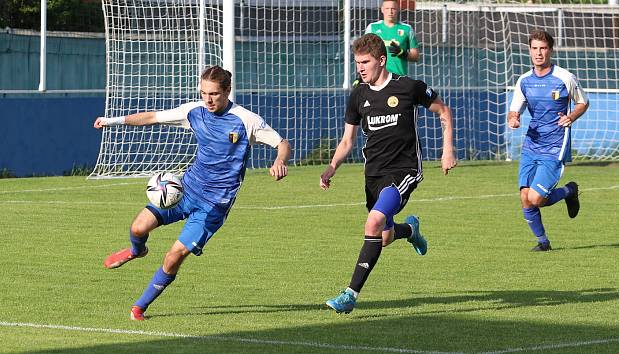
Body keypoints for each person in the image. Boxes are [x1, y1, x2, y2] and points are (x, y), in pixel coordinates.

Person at [93, 65, 291, 320]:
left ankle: (139, 307)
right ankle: (136, 251)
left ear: (228, 91)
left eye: (214, 94)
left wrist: (279, 161)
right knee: (138, 228)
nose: (208, 99)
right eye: (203, 93)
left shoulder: (246, 120)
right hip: (185, 190)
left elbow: (282, 143)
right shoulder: (194, 111)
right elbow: (153, 117)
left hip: (214, 205)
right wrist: (112, 121)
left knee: (173, 256)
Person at [320, 33, 456, 313]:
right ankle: (410, 230)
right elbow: (348, 140)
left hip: (403, 170)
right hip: (374, 174)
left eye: (365, 62)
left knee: (372, 224)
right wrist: (332, 166)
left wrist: (447, 150)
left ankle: (349, 295)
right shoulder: (358, 94)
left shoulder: (408, 87)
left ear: (381, 60)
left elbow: (443, 110)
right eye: (357, 62)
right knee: (382, 236)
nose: (360, 67)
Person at [508, 29, 588, 252]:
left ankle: (569, 191)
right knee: (525, 197)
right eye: (535, 48)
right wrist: (513, 119)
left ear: (550, 50)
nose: (539, 53)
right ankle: (543, 243)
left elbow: (583, 103)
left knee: (535, 197)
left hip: (555, 144)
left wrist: (570, 117)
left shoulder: (565, 77)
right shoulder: (524, 80)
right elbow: (514, 110)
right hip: (532, 143)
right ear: (529, 51)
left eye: (543, 48)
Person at [365, 0, 419, 77]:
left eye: (393, 8)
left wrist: (402, 53)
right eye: (387, 8)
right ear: (382, 10)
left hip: (399, 77)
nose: (390, 11)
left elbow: (415, 56)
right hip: (377, 77)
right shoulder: (372, 27)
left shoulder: (407, 29)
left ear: (398, 9)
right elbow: (364, 53)